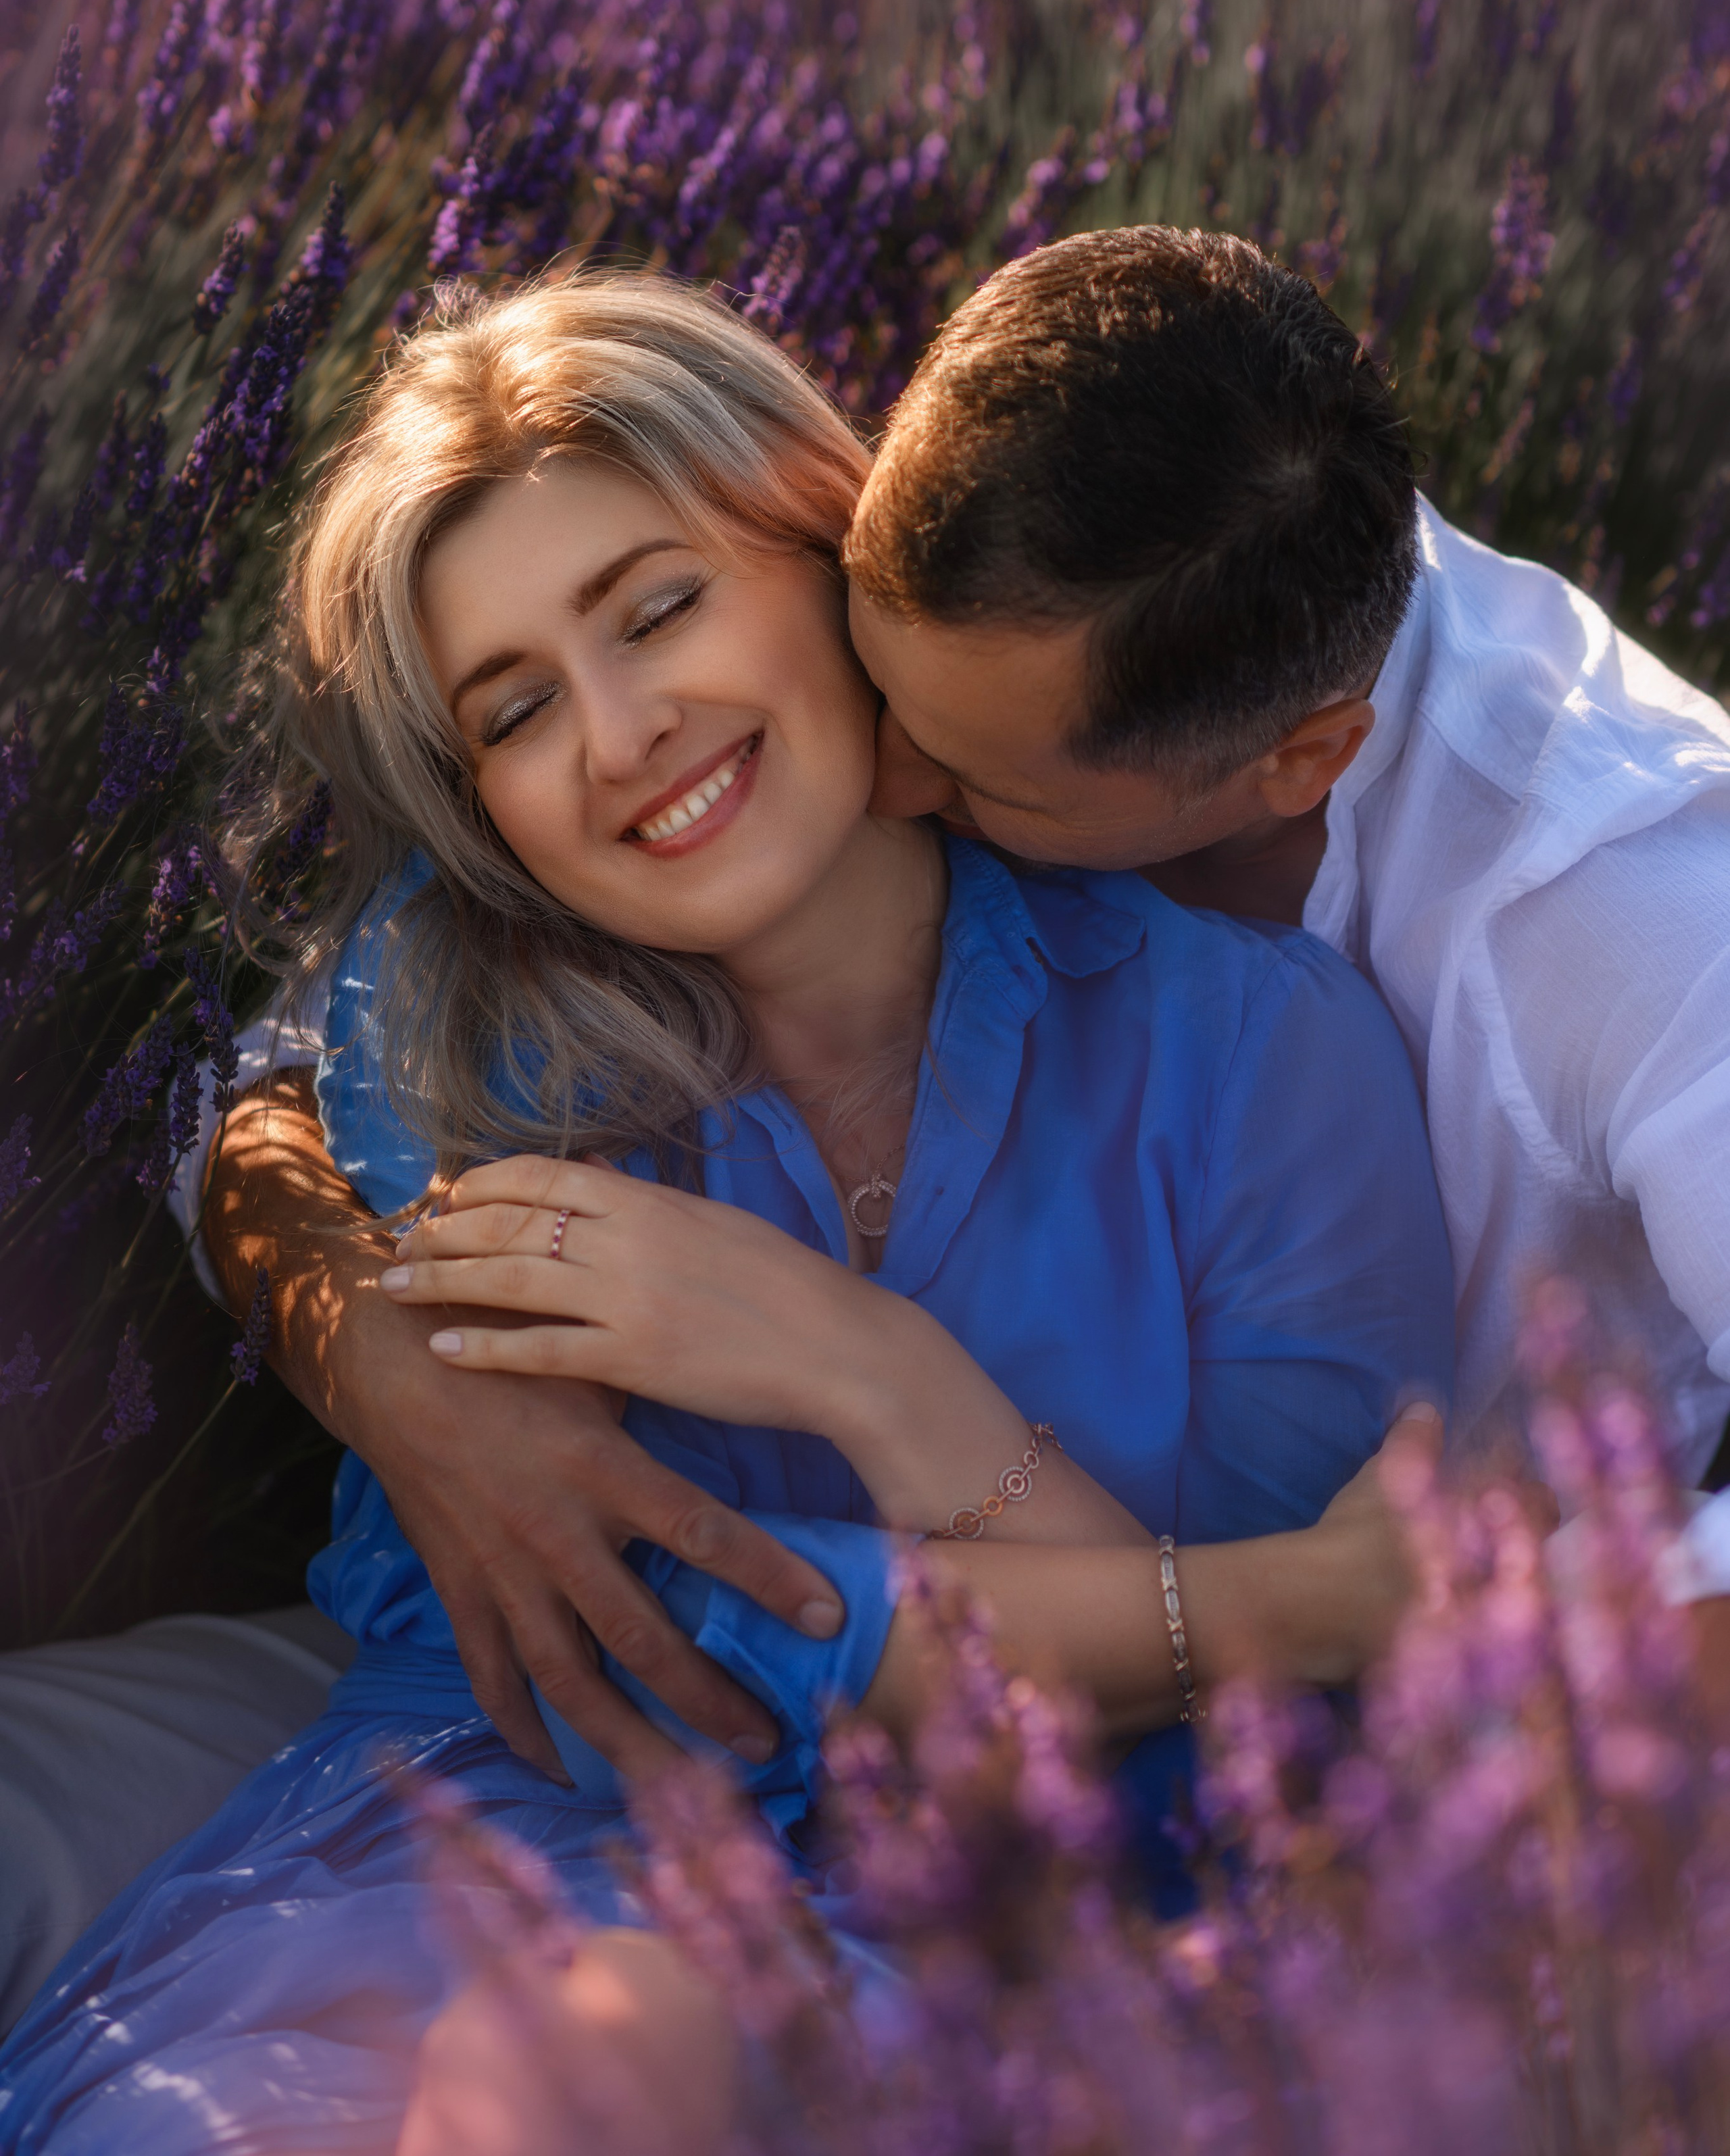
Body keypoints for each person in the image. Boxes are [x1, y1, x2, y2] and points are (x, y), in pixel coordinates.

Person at [0, 268, 1454, 2147]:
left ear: (826, 545)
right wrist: (1227, 1603)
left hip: (1023, 1937)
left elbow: (1246, 1750)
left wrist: (871, 1374)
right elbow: (618, 1618)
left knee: (612, 2053)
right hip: (503, 1830)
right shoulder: (453, 1027)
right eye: (515, 707)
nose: (620, 737)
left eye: (659, 605)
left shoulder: (1263, 1058)